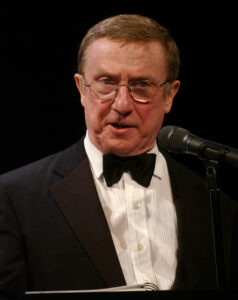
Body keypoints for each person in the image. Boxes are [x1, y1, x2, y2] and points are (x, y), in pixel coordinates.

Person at [0, 14, 238, 299]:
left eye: (141, 86)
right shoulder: (14, 197)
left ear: (169, 95)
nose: (122, 104)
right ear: (81, 89)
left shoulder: (218, 205)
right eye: (106, 82)